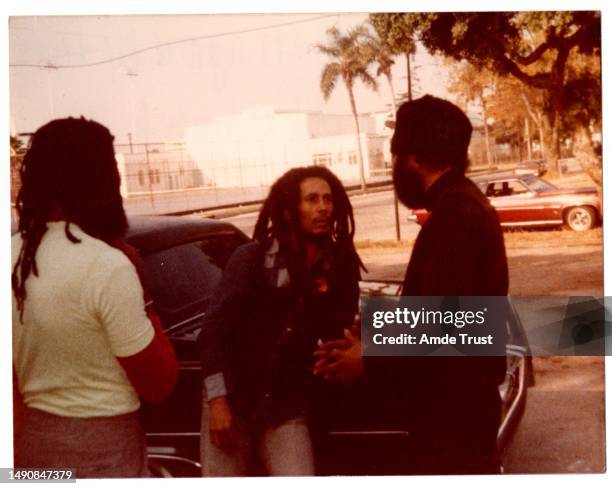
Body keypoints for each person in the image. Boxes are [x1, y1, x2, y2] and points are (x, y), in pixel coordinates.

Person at [314, 95, 509, 475]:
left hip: (453, 418)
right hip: (462, 409)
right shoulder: (461, 204)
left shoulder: (455, 216)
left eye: (395, 156)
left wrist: (367, 357)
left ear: (413, 158)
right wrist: (375, 332)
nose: (393, 167)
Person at [12, 117, 178, 477]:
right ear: (102, 179)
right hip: (103, 448)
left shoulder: (11, 256)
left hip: (31, 442)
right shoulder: (108, 264)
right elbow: (159, 383)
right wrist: (145, 294)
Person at [197, 166, 362, 476]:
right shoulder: (252, 259)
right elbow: (212, 334)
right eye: (311, 199)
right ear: (288, 211)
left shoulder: (340, 266)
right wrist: (218, 402)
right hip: (232, 405)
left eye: (328, 199)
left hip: (286, 410)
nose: (323, 207)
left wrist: (362, 344)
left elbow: (338, 334)